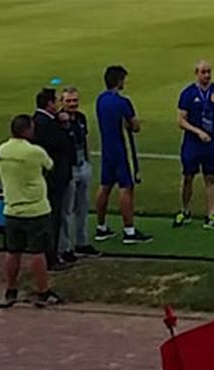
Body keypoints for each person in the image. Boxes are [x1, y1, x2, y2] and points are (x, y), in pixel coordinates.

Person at [0, 115, 63, 308]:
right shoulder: (34, 152)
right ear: (27, 130)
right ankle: (43, 292)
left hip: (12, 209)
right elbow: (50, 165)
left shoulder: (2, 150)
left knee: (12, 252)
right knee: (37, 252)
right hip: (35, 210)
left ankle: (11, 290)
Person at [94, 65, 152, 244]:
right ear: (119, 81)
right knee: (126, 187)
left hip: (107, 148)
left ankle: (101, 227)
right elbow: (135, 126)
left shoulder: (100, 100)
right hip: (122, 149)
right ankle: (129, 230)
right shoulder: (123, 102)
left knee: (105, 186)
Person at [173, 60, 214, 230]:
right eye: (203, 72)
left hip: (212, 142)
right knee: (188, 177)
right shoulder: (188, 93)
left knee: (211, 178)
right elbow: (180, 120)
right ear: (196, 73)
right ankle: (185, 210)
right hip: (192, 142)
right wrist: (197, 131)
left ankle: (212, 214)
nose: (207, 75)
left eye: (209, 72)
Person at [32, 88, 75, 269]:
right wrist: (65, 127)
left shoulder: (42, 121)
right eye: (56, 101)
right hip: (53, 177)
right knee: (53, 217)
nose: (58, 104)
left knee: (54, 216)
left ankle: (52, 255)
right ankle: (52, 258)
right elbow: (62, 145)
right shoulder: (46, 123)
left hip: (52, 176)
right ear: (49, 104)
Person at [60, 87, 100, 259]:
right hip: (68, 168)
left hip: (83, 164)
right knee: (66, 209)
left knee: (83, 207)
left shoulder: (81, 118)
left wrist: (89, 162)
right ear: (62, 102)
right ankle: (65, 247)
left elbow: (84, 140)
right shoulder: (59, 121)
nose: (72, 104)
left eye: (75, 100)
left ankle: (82, 242)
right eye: (68, 101)